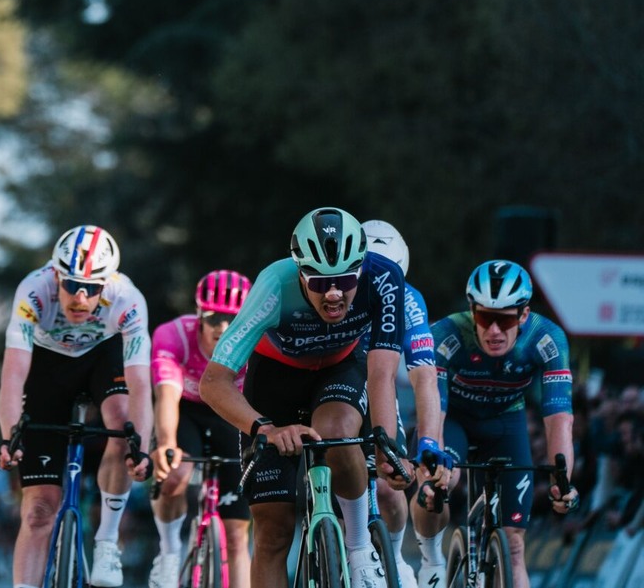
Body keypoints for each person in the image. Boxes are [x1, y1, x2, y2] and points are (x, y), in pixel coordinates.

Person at [200, 207, 430, 588]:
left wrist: (385, 446)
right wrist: (265, 429)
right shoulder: (275, 285)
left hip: (339, 370)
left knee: (337, 431)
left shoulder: (384, 278)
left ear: (361, 267)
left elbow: (382, 373)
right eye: (320, 283)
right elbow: (213, 382)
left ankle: (359, 550)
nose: (334, 293)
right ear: (300, 273)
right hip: (275, 380)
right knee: (273, 530)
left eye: (345, 280)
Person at [0, 224, 153, 588]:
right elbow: (14, 374)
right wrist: (9, 437)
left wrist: (142, 447)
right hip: (47, 365)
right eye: (71, 285)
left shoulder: (128, 299)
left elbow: (140, 383)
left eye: (92, 288)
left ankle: (107, 541)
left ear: (106, 283)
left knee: (122, 424)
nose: (80, 297)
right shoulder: (33, 291)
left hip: (102, 358)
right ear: (56, 276)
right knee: (38, 511)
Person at [411, 260, 579, 588]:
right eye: (485, 318)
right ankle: (430, 561)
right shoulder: (446, 334)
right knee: (442, 481)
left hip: (506, 423)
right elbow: (434, 411)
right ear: (472, 310)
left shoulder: (547, 338)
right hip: (454, 420)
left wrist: (562, 482)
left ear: (524, 315)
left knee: (514, 545)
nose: (494, 331)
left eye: (505, 320)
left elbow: (560, 418)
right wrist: (430, 475)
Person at [149, 269, 253, 588]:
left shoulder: (259, 342)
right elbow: (166, 396)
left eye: (232, 319)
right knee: (175, 474)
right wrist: (166, 443)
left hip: (231, 413)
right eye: (214, 318)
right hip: (185, 411)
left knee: (237, 535)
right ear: (199, 315)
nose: (223, 328)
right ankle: (169, 551)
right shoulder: (174, 335)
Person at [360, 219, 447, 588]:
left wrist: (428, 442)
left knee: (387, 485)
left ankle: (394, 557)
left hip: (376, 390)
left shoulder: (409, 300)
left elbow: (425, 378)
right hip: (330, 382)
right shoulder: (335, 287)